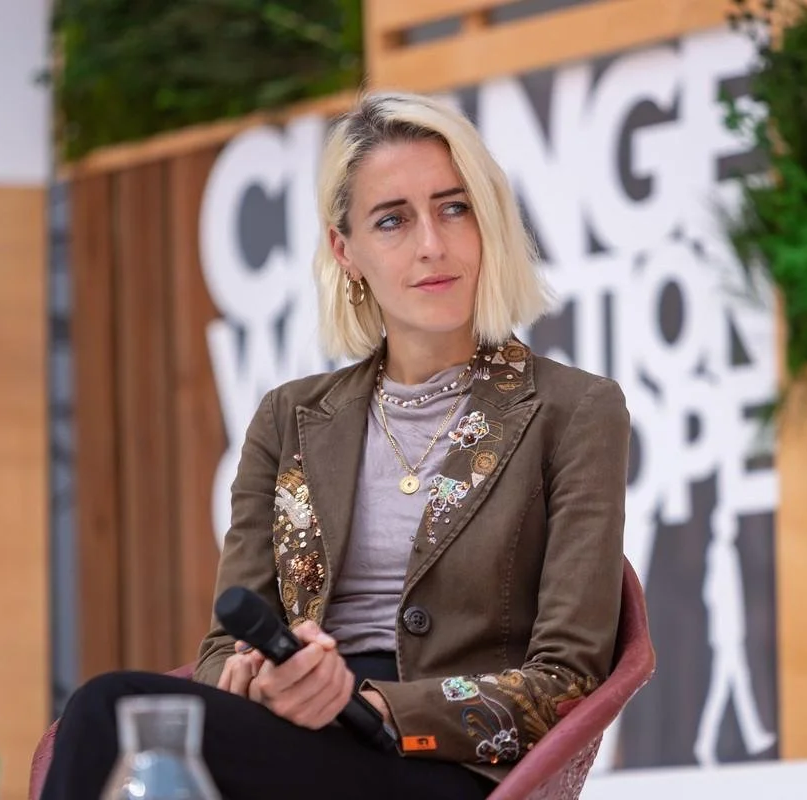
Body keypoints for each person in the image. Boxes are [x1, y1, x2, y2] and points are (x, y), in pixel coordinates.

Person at [41, 90, 631, 800]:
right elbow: (225, 645)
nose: (431, 245)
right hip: (295, 740)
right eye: (392, 220)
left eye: (454, 207)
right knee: (113, 713)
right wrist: (254, 677)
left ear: (489, 222)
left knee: (106, 713)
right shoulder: (288, 418)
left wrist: (371, 702)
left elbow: (568, 683)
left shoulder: (576, 410)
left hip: (446, 765)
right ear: (344, 250)